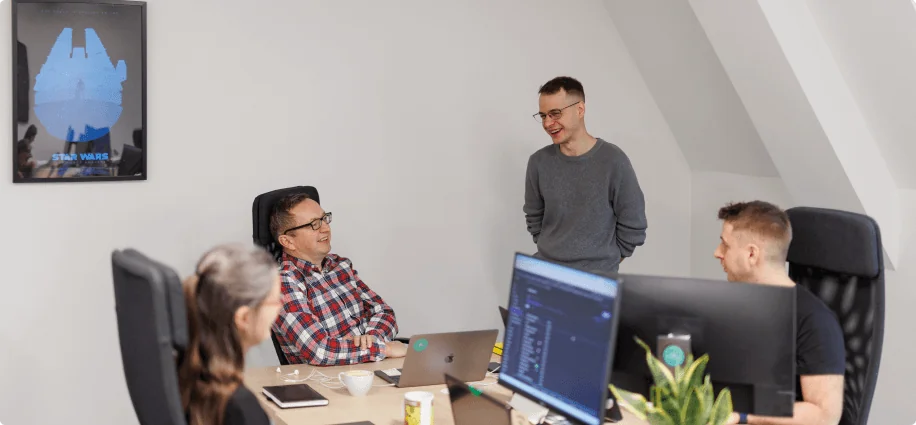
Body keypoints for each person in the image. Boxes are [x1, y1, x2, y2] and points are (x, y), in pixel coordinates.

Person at [713, 201, 844, 425]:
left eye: (725, 245)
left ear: (752, 254)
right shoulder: (734, 306)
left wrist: (742, 414)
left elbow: (825, 415)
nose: (717, 253)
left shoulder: (814, 321)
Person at [523, 76, 647, 274]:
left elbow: (634, 222)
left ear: (580, 110)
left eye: (555, 114)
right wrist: (551, 250)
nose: (548, 123)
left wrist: (607, 261)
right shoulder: (538, 162)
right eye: (543, 115)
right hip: (545, 271)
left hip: (597, 277)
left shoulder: (613, 160)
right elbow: (534, 216)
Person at [270, 192, 407, 365]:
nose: (325, 228)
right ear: (288, 241)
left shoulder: (339, 265)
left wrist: (372, 338)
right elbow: (320, 350)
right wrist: (383, 349)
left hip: (372, 365)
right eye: (314, 224)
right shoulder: (283, 283)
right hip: (330, 380)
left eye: (324, 219)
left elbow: (383, 311)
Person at [177, 243, 281, 425]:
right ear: (244, 318)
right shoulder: (241, 408)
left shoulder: (187, 375)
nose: (281, 307)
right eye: (275, 301)